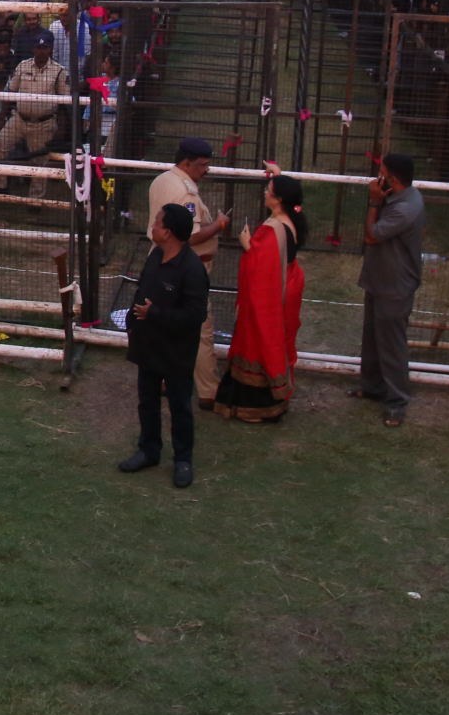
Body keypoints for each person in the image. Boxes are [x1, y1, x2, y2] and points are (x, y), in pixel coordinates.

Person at [118, 204, 211, 485]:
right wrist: (133, 326)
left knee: (180, 405)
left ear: (168, 232)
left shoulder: (192, 270)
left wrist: (154, 314)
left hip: (176, 351)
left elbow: (196, 316)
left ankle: (183, 460)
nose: (153, 226)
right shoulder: (155, 255)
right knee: (147, 401)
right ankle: (149, 450)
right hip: (147, 345)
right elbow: (142, 291)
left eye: (157, 222)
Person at [215, 169, 307, 425]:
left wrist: (247, 246)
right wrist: (279, 175)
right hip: (286, 288)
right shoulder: (291, 218)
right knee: (277, 339)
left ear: (278, 199)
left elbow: (262, 266)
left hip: (270, 295)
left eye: (269, 191)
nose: (265, 193)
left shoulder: (274, 228)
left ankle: (255, 407)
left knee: (260, 339)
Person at [145, 138, 228, 409]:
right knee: (200, 329)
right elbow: (189, 237)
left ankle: (163, 378)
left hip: (161, 263)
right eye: (203, 165)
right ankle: (208, 391)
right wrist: (218, 225)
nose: (206, 170)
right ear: (187, 163)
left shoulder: (161, 180)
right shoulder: (186, 193)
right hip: (186, 268)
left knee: (163, 325)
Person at [358, 153, 425, 428]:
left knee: (391, 345)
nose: (378, 176)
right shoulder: (401, 197)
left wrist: (374, 201)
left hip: (395, 286)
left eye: (381, 172)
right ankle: (373, 387)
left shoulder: (405, 208)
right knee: (372, 338)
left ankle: (397, 402)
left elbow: (371, 235)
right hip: (380, 279)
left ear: (392, 179)